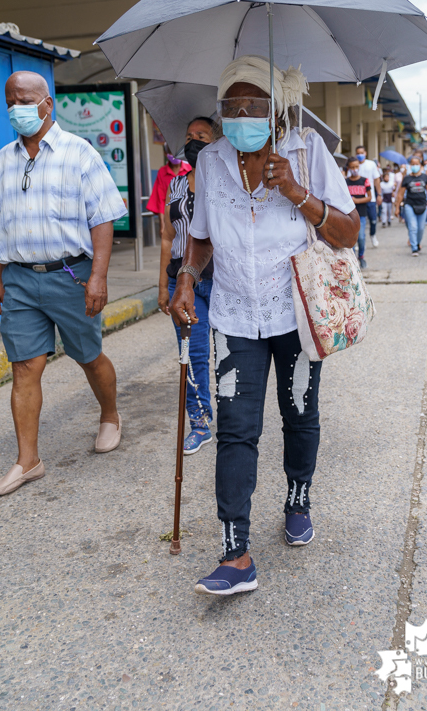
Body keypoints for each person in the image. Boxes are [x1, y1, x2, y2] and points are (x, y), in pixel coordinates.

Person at [170, 55, 360, 596]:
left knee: (299, 413)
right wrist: (186, 276)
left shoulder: (306, 149)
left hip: (294, 313)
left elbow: (346, 232)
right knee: (236, 430)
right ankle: (236, 553)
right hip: (233, 312)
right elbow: (201, 235)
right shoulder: (210, 161)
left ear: (277, 110)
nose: (241, 115)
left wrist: (298, 192)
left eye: (253, 106)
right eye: (231, 106)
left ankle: (298, 497)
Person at [0, 71, 127, 496]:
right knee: (24, 366)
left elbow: (103, 217)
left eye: (24, 100)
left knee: (88, 356)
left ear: (46, 104)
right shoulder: (2, 160)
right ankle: (27, 460)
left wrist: (99, 278)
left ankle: (110, 414)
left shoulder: (79, 153)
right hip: (18, 279)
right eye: (9, 100)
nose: (16, 108)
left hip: (71, 276)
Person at [158, 117, 219, 453]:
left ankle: (233, 414)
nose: (193, 141)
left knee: (226, 353)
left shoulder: (228, 182)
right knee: (192, 355)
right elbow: (168, 236)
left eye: (202, 136)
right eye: (189, 136)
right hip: (180, 283)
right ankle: (199, 422)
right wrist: (161, 286)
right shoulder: (176, 185)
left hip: (221, 281)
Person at [394, 156, 427, 256]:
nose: (415, 166)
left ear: (421, 166)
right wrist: (397, 207)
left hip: (422, 205)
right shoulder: (407, 178)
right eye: (412, 164)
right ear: (410, 165)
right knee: (413, 227)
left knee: (421, 228)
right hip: (410, 205)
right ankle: (414, 248)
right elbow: (400, 193)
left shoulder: (424, 177)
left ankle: (417, 243)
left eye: (417, 164)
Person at [146, 144, 191, 236]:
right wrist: (162, 226)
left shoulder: (190, 170)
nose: (174, 155)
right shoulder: (162, 172)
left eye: (177, 153)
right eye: (171, 152)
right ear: (165, 153)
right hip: (170, 218)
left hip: (189, 217)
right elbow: (161, 200)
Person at [345, 155, 371, 268]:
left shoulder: (364, 180)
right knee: (350, 238)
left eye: (356, 166)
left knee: (361, 237)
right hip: (348, 215)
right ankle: (352, 259)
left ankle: (361, 256)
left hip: (361, 213)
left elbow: (369, 197)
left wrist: (357, 200)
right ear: (349, 168)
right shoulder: (345, 182)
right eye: (352, 167)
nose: (354, 169)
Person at [356, 145, 381, 247]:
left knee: (373, 220)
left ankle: (373, 235)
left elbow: (377, 180)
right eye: (358, 153)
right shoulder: (354, 165)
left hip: (371, 198)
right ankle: (359, 240)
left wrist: (379, 194)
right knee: (358, 221)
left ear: (365, 153)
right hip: (357, 199)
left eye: (362, 153)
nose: (360, 155)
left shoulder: (371, 164)